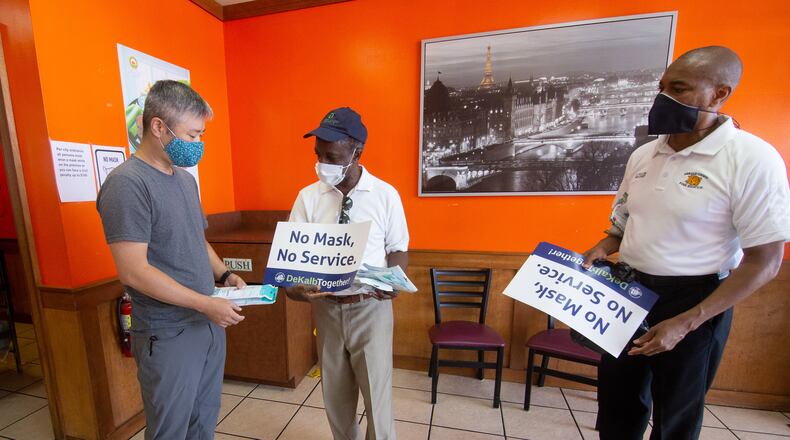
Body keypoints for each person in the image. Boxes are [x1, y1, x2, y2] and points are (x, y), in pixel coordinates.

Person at [582, 46, 789, 440]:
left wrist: (688, 321)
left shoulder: (753, 159)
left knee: (675, 416)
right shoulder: (644, 155)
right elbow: (624, 222)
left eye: (678, 89)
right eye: (661, 88)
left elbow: (765, 261)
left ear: (719, 94)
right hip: (629, 291)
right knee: (617, 405)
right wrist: (602, 247)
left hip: (696, 299)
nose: (663, 98)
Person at [97, 80, 247, 440]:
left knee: (203, 420)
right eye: (192, 135)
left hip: (206, 322)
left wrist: (225, 275)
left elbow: (197, 239)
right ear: (158, 127)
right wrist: (205, 303)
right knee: (171, 429)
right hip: (167, 331)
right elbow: (134, 271)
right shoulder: (127, 184)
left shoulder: (185, 181)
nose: (198, 144)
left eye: (201, 135)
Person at [285, 107, 409, 440]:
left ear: (357, 152)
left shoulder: (385, 195)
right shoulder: (308, 198)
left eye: (332, 156)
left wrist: (394, 280)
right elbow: (292, 260)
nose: (322, 163)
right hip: (326, 310)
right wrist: (292, 288)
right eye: (318, 155)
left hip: (371, 307)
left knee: (377, 400)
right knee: (336, 398)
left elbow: (398, 248)